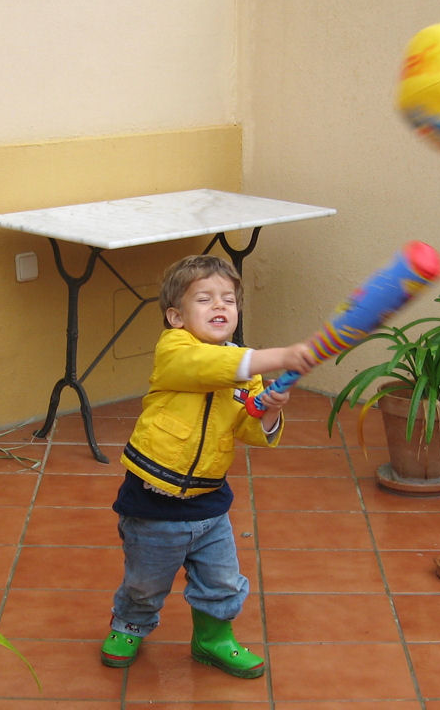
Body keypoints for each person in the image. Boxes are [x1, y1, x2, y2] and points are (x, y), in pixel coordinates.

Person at [101, 254, 316, 679]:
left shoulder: (244, 366)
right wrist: (278, 355)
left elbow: (249, 428)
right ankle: (130, 624)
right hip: (152, 500)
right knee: (145, 582)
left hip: (209, 503)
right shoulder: (175, 349)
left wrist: (268, 410)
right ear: (176, 316)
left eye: (228, 300)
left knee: (222, 581)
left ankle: (213, 638)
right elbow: (204, 368)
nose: (220, 306)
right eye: (205, 298)